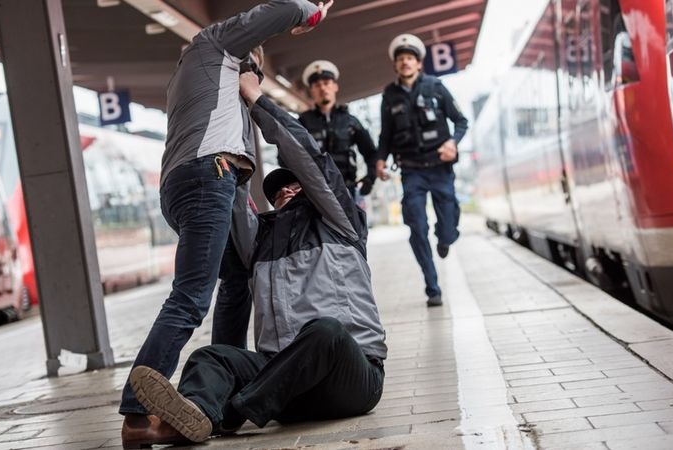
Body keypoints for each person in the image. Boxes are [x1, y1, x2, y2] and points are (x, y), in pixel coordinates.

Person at [121, 71, 387, 448]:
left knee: (325, 331)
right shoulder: (258, 243)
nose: (287, 191)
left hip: (349, 377)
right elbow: (236, 190)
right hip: (284, 389)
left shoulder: (342, 223)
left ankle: (228, 414)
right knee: (211, 357)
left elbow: (308, 159)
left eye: (296, 185)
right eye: (278, 191)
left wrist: (257, 102)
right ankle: (192, 416)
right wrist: (230, 122)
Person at [120, 0, 335, 441]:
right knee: (192, 296)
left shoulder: (193, 81)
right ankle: (136, 414)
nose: (252, 75)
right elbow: (275, 12)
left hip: (207, 182)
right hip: (207, 177)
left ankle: (219, 392)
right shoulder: (213, 44)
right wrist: (310, 13)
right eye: (251, 64)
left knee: (237, 279)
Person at [375, 34, 468, 307]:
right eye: (400, 59)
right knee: (416, 226)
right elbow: (386, 137)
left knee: (448, 225)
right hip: (412, 171)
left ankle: (446, 235)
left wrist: (453, 142)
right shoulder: (389, 96)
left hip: (440, 168)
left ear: (418, 63)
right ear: (396, 65)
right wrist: (380, 160)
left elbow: (461, 121)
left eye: (410, 58)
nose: (405, 62)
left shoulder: (436, 87)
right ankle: (432, 287)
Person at [297, 60, 378, 199]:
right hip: (314, 193)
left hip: (347, 191)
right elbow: (286, 156)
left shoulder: (350, 121)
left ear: (335, 86)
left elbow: (371, 153)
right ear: (311, 91)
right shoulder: (302, 123)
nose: (323, 88)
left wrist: (371, 177)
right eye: (317, 85)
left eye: (327, 83)